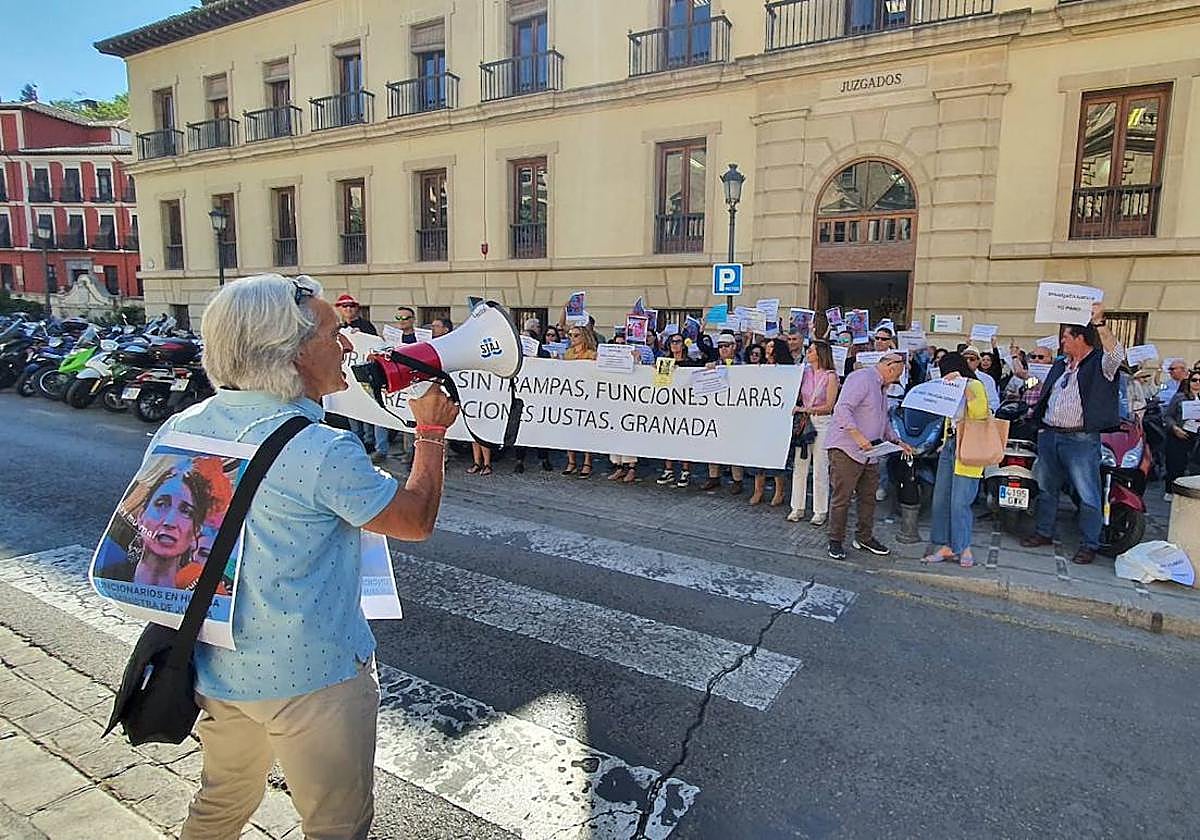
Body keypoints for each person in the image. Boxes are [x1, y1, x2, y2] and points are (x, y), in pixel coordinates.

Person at [175, 274, 459, 840]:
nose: (348, 345)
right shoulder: (320, 448)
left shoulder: (185, 425)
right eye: (334, 333)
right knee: (336, 823)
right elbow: (414, 520)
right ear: (295, 352)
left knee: (222, 801)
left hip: (217, 666)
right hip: (312, 678)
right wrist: (429, 431)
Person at [1020, 304, 1124, 565]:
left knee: (1088, 494)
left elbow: (1118, 355)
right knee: (1046, 488)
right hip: (1050, 435)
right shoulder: (1060, 365)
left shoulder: (1099, 364)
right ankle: (1044, 531)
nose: (1062, 341)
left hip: (1080, 439)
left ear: (1080, 338)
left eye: (1066, 336)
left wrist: (1099, 323)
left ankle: (1090, 543)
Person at [824, 351, 910, 560]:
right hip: (847, 449)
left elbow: (882, 420)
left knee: (868, 498)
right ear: (890, 366)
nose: (897, 380)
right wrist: (857, 435)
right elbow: (842, 409)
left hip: (871, 452)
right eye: (897, 375)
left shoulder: (882, 387)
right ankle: (835, 540)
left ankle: (864, 537)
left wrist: (897, 441)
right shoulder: (862, 378)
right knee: (842, 498)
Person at [924, 352, 991, 568]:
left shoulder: (974, 385)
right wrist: (945, 439)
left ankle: (964, 547)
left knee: (961, 502)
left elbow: (981, 413)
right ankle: (944, 545)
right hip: (951, 445)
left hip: (969, 447)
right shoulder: (948, 386)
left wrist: (964, 387)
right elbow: (949, 417)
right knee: (941, 499)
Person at [334, 296, 393, 464]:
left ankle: (377, 446)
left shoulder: (366, 326)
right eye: (344, 306)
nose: (348, 309)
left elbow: (374, 347)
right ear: (339, 309)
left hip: (365, 375)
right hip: (349, 377)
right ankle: (359, 443)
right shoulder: (338, 328)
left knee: (373, 411)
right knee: (353, 411)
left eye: (352, 306)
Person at [788, 340, 839, 525]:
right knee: (800, 465)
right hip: (805, 422)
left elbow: (829, 406)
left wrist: (804, 410)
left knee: (820, 467)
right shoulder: (804, 373)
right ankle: (797, 507)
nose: (808, 353)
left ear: (820, 354)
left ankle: (820, 510)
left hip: (822, 422)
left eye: (811, 350)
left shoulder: (831, 376)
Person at [748, 338, 795, 506]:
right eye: (766, 348)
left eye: (771, 348)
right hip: (759, 418)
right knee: (758, 455)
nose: (767, 351)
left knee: (776, 456)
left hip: (778, 420)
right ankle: (758, 490)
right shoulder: (759, 368)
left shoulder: (789, 370)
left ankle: (779, 491)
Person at [655, 334, 703, 488]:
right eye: (672, 342)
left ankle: (685, 471)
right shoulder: (664, 362)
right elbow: (660, 383)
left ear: (683, 345)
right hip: (668, 406)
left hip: (685, 407)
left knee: (684, 439)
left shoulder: (691, 363)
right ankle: (668, 470)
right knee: (667, 437)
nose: (674, 345)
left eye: (678, 342)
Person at [702, 334, 746, 493]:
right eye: (720, 346)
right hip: (716, 411)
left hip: (735, 412)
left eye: (726, 345)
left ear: (734, 346)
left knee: (734, 446)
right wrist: (708, 371)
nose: (723, 349)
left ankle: (737, 480)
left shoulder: (743, 365)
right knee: (713, 444)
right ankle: (713, 477)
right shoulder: (714, 365)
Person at [562, 325, 597, 477]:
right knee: (569, 429)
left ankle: (587, 461)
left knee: (586, 429)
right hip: (571, 395)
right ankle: (571, 461)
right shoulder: (568, 354)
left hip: (586, 395)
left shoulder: (591, 354)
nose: (572, 338)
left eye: (576, 335)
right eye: (570, 335)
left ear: (584, 337)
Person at [1163, 370, 1200, 500]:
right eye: (1194, 380)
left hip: (1197, 436)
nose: (1197, 383)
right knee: (1175, 464)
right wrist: (1175, 428)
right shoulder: (1180, 397)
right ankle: (1171, 489)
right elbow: (1168, 416)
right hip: (1179, 434)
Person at [961, 345, 1000, 412]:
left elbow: (994, 403)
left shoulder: (987, 379)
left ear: (978, 361)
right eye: (965, 359)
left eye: (972, 359)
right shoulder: (957, 377)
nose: (968, 361)